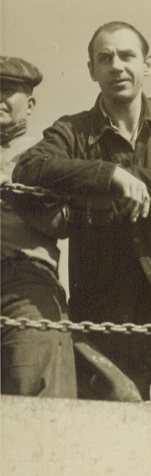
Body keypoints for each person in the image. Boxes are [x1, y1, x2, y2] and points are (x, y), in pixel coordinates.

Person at [13, 25, 151, 400]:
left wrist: (129, 181)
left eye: (127, 56)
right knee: (110, 445)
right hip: (105, 322)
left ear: (148, 64)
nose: (117, 66)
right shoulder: (72, 131)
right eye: (105, 58)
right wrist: (109, 175)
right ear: (91, 69)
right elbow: (29, 169)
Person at [1, 57, 76, 398]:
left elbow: (62, 221)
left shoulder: (44, 154)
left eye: (7, 91)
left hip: (24, 281)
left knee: (33, 387)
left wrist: (10, 190)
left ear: (29, 104)